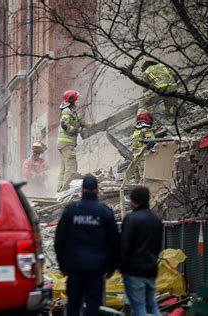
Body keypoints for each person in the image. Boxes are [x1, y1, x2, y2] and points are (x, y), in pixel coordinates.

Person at [54, 175, 119, 316]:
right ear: (97, 190)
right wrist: (111, 267)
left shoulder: (71, 211)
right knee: (94, 306)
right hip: (97, 269)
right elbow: (114, 242)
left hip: (74, 268)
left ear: (82, 189)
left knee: (74, 304)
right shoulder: (105, 212)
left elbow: (59, 240)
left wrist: (62, 265)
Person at [120, 186, 163, 316]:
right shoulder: (156, 220)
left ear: (134, 201)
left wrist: (121, 266)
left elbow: (124, 246)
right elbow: (157, 246)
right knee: (152, 305)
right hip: (150, 269)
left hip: (134, 271)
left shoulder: (131, 219)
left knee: (139, 308)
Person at [57, 90, 83, 192]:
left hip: (64, 144)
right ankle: (66, 190)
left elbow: (80, 122)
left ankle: (60, 188)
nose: (77, 101)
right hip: (67, 144)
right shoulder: (67, 111)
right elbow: (64, 125)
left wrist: (90, 125)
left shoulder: (72, 111)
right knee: (71, 167)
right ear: (72, 99)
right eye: (76, 99)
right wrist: (75, 130)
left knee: (64, 167)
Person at [131, 109, 155, 183]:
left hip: (136, 157)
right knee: (146, 178)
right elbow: (151, 141)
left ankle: (138, 190)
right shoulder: (145, 129)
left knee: (138, 178)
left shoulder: (136, 130)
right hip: (144, 158)